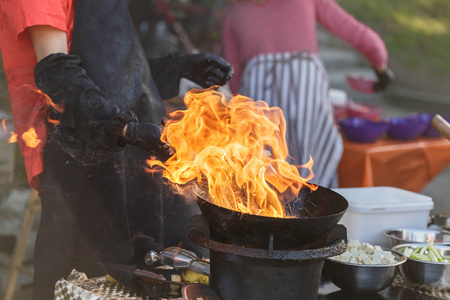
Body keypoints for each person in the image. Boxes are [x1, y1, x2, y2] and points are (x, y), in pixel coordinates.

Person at [0, 0, 232, 298]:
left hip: (136, 159)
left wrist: (177, 69)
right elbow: (58, 75)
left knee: (170, 277)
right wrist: (124, 129)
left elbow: (110, 74)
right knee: (90, 283)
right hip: (81, 163)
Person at [222, 0, 393, 188]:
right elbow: (349, 28)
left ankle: (267, 211)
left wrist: (240, 103)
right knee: (313, 159)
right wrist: (380, 62)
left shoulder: (235, 9)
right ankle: (314, 208)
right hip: (307, 82)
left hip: (259, 89)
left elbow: (233, 71)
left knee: (265, 161)